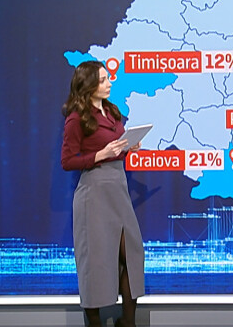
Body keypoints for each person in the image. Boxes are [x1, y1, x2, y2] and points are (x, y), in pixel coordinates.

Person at [61, 61, 145, 327]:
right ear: (88, 84)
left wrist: (127, 148)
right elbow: (67, 161)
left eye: (107, 78)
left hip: (118, 189)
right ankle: (95, 323)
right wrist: (100, 154)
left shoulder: (112, 112)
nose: (109, 83)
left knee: (132, 254)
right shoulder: (77, 118)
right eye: (102, 80)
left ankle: (128, 321)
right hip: (94, 193)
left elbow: (115, 149)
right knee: (95, 261)